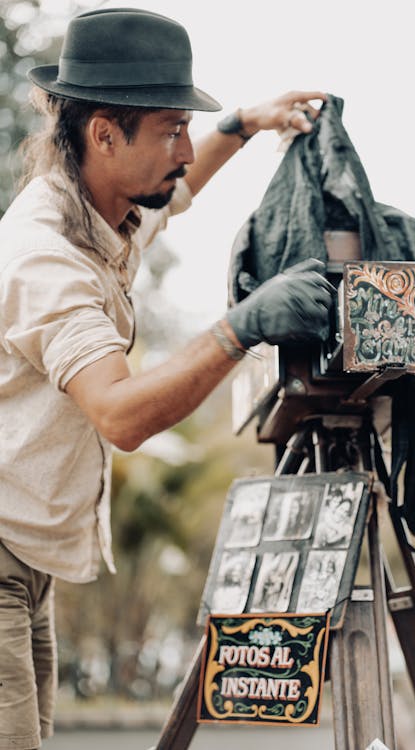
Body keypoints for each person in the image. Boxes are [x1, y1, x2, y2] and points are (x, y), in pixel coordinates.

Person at [0, 7, 334, 748]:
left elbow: (175, 195)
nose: (184, 148)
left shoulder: (108, 206)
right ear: (104, 134)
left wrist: (244, 124)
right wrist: (240, 327)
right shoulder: (45, 250)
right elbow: (118, 417)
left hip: (29, 557)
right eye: (170, 129)